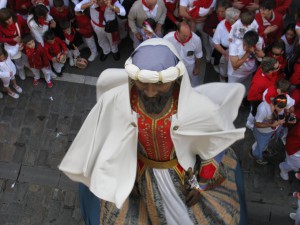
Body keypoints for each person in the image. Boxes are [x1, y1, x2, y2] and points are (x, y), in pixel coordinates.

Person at [59, 38, 247, 225]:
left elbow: (212, 145)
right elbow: (111, 139)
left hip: (183, 176)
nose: (150, 92)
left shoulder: (196, 108)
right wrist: (123, 173)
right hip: (138, 174)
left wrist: (200, 185)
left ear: (175, 80)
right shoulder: (119, 102)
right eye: (143, 83)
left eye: (159, 84)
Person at [249, 95, 290, 165]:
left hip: (270, 132)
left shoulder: (281, 104)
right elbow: (256, 124)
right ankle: (257, 157)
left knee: (264, 143)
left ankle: (262, 147)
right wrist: (271, 125)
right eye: (279, 108)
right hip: (263, 133)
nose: (281, 110)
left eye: (283, 108)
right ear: (274, 103)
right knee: (260, 147)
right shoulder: (263, 109)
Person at [164, 21, 203, 87]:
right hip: (175, 65)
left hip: (190, 65)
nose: (187, 38)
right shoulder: (167, 38)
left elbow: (198, 55)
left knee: (194, 82)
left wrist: (197, 67)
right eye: (184, 36)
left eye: (188, 35)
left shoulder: (196, 39)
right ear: (178, 32)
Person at [246, 57, 279, 130]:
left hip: (265, 96)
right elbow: (252, 96)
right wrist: (267, 98)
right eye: (277, 68)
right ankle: (249, 123)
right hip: (257, 100)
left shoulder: (267, 69)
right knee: (254, 112)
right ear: (270, 71)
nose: (279, 68)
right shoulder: (258, 83)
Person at [0, 8, 30, 80]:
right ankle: (21, 70)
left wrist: (24, 41)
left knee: (26, 57)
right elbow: (0, 38)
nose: (9, 21)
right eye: (6, 20)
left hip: (21, 42)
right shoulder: (1, 26)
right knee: (17, 60)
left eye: (10, 18)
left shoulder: (18, 18)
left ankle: (28, 66)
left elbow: (26, 29)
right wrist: (12, 39)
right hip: (11, 46)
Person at [212, 6, 239, 82]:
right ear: (231, 20)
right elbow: (215, 43)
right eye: (237, 19)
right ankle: (223, 77)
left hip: (237, 51)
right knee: (224, 68)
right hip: (225, 51)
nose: (240, 20)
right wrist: (225, 53)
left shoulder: (240, 25)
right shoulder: (221, 26)